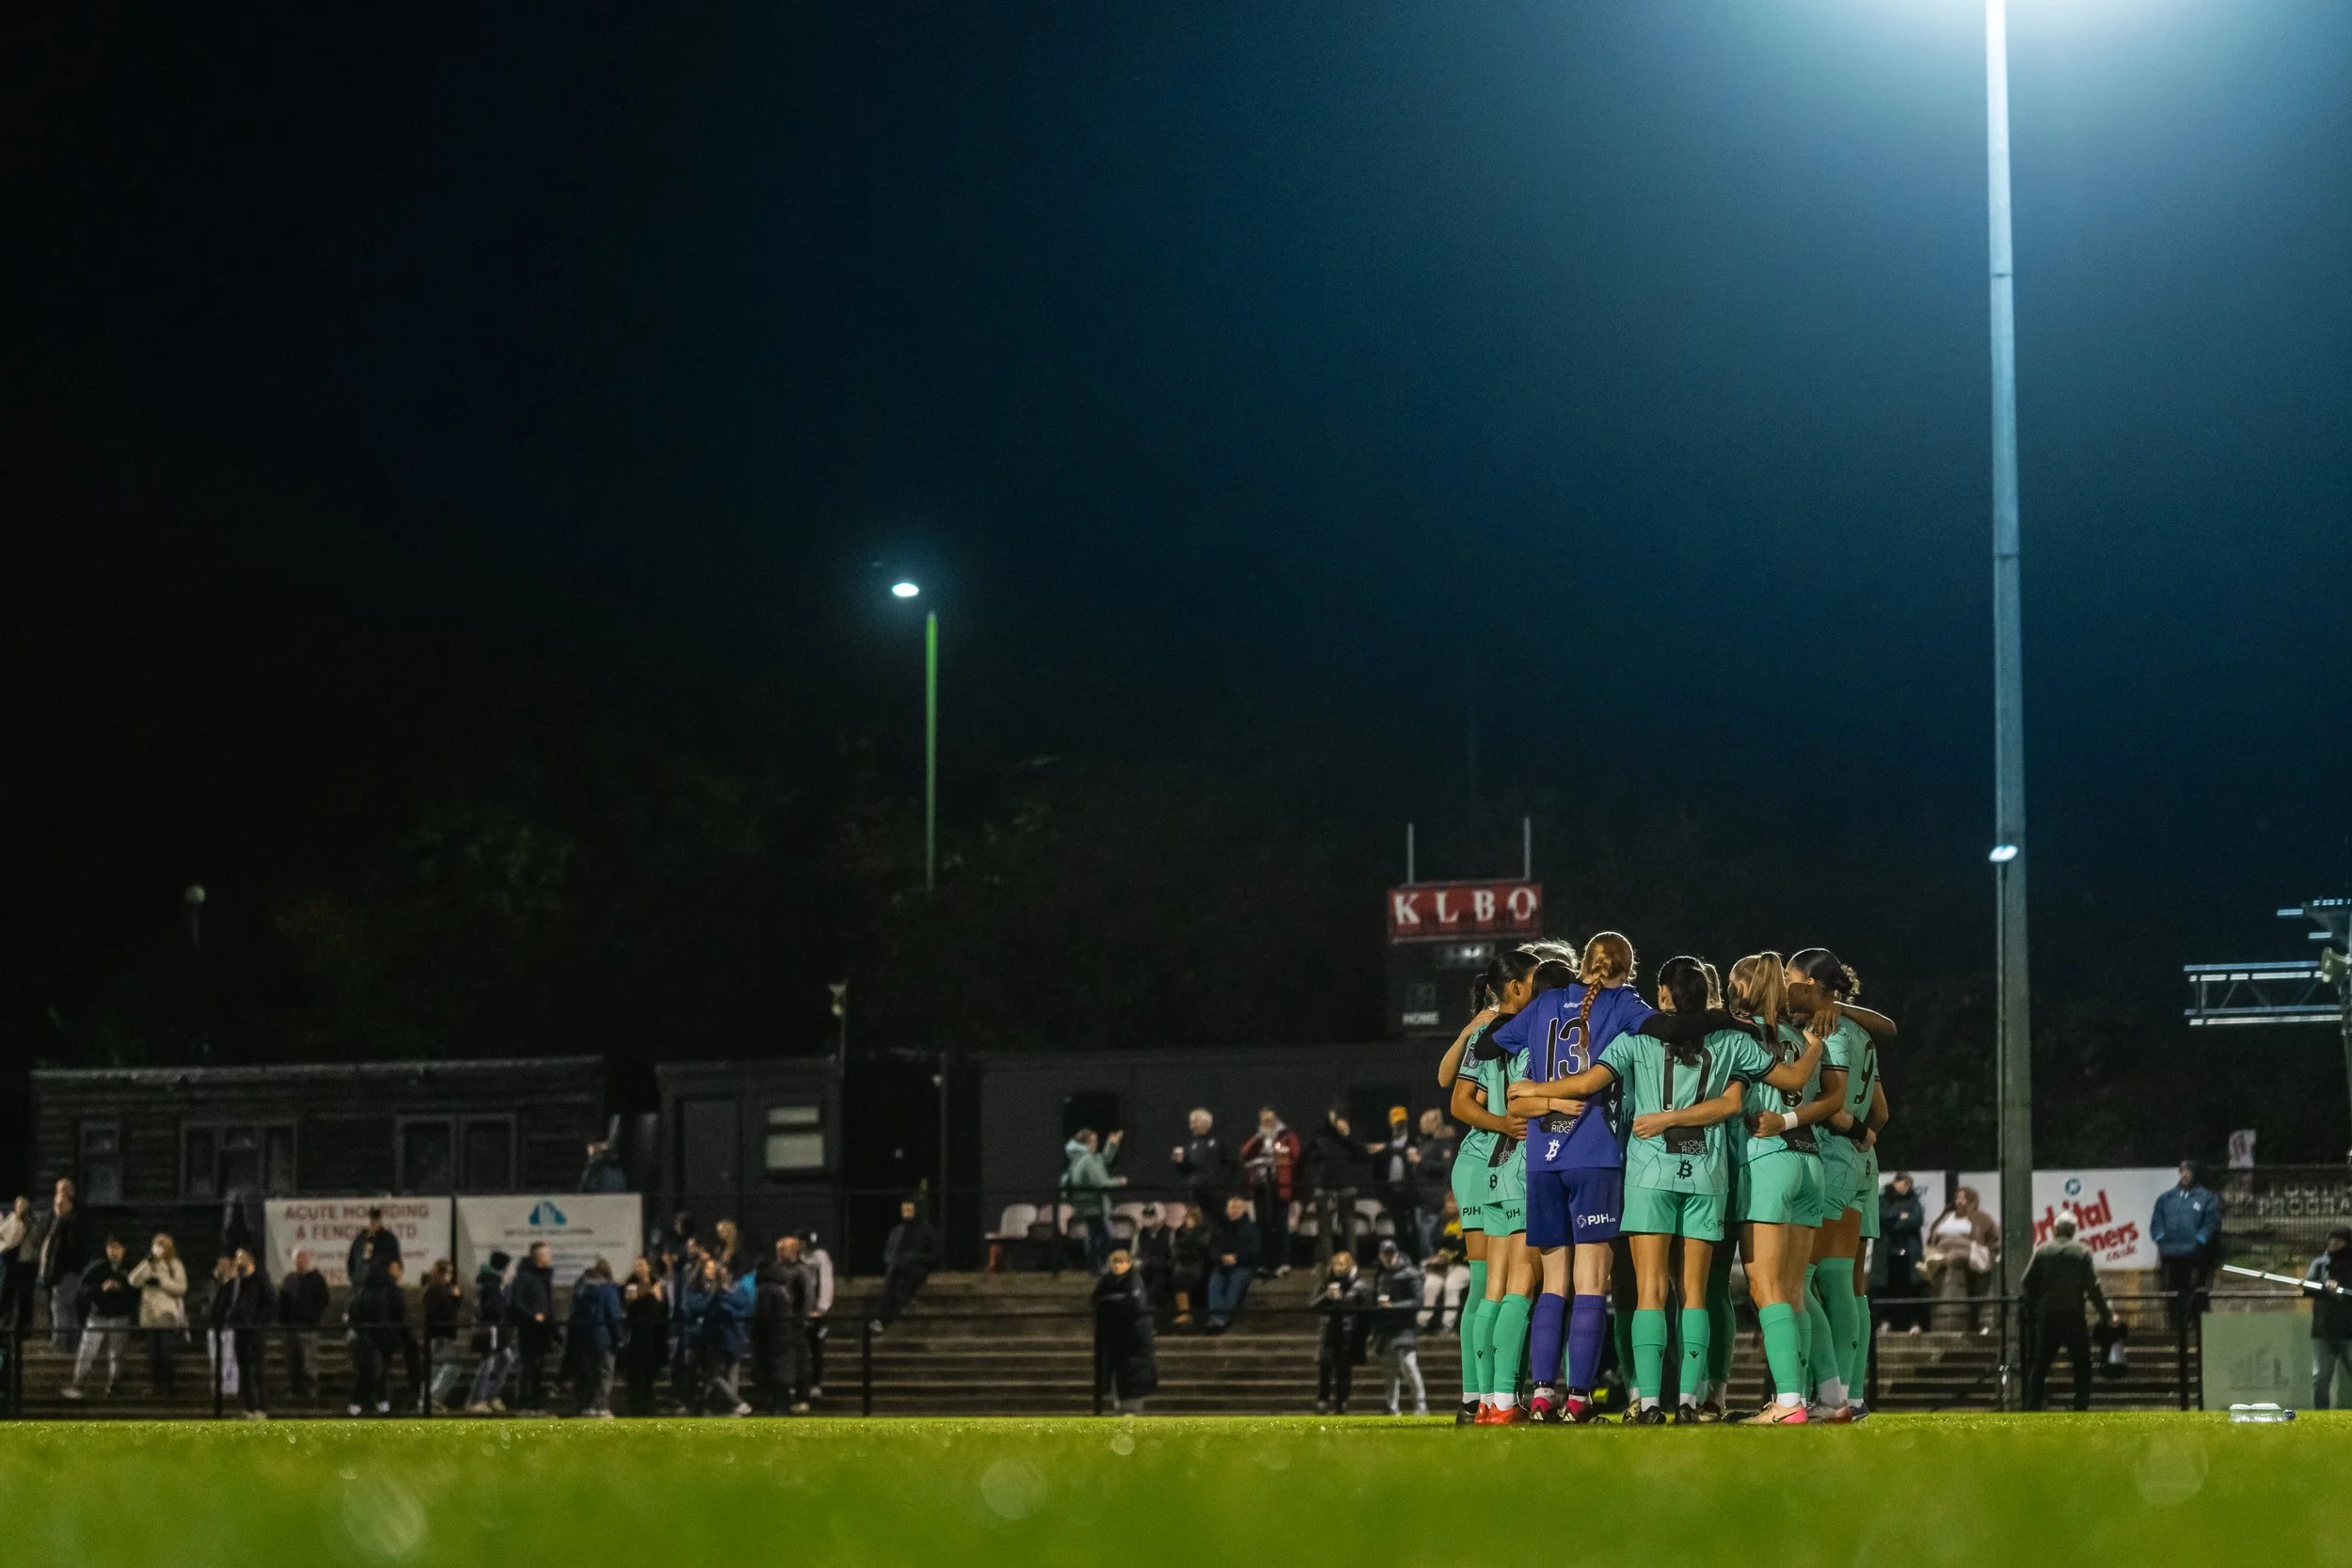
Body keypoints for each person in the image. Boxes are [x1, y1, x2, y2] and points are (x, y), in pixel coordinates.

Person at [1536, 955, 1817, 1423]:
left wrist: (1532, 1092)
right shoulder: (1732, 1040)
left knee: (1648, 1290)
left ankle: (1647, 1403)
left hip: (1649, 1172)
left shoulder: (1635, 1039)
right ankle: (1690, 1401)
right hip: (1707, 1173)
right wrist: (1813, 1045)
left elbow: (1587, 1083)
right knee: (1695, 1293)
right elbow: (1792, 1080)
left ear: (1663, 994)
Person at [1503, 937, 1652, 1423]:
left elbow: (1499, 1044)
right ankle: (1578, 1399)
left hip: (1543, 1158)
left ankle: (1542, 1394)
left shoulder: (1545, 1002)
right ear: (1626, 970)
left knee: (1553, 1285)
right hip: (1595, 1151)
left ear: (1583, 965)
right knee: (1592, 1284)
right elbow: (1667, 1027)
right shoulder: (1623, 1003)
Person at [1445, 949, 1539, 1424]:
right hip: (1494, 1160)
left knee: (1491, 1289)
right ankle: (1486, 1396)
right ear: (1517, 987)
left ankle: (1483, 1398)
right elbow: (1461, 1101)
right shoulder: (1529, 1030)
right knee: (1496, 1286)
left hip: (1491, 1161)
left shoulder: (1492, 1031)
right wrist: (1504, 1122)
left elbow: (1460, 1091)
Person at [2020, 1214, 2114, 1412]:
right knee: (2081, 1365)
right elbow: (2093, 1287)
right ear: (2073, 1230)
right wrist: (2106, 1314)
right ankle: (2080, 1408)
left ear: (2055, 1230)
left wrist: (2036, 1305)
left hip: (2048, 1317)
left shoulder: (2043, 1251)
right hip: (2073, 1316)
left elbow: (2027, 1282)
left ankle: (2031, 1408)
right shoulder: (2082, 1253)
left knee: (2041, 1365)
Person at [2151, 1161, 2222, 1331]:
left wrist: (2200, 1240)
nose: (2185, 1174)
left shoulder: (2206, 1197)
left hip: (2195, 1255)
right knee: (2173, 1292)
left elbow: (2211, 1222)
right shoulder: (2166, 1198)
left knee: (2197, 1291)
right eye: (2182, 1170)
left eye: (2189, 1171)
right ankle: (2176, 1327)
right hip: (2171, 1254)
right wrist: (2161, 1238)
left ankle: (2196, 1326)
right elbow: (2157, 1222)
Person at [64, 1234, 135, 1399]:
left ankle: (114, 1384)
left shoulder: (130, 1269)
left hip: (119, 1315)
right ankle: (79, 1382)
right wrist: (100, 1289)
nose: (113, 1251)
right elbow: (83, 1290)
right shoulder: (97, 1267)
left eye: (117, 1247)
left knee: (116, 1353)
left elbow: (135, 1292)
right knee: (87, 1350)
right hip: (99, 1315)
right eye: (110, 1247)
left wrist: (121, 1289)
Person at [1090, 1247, 1157, 1414]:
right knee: (1114, 1377)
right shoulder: (1106, 1281)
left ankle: (1131, 1411)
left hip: (1133, 1339)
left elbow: (1134, 1303)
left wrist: (1111, 1301)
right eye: (1115, 1262)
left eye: (1121, 1262)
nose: (1118, 1266)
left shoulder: (1135, 1279)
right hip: (1113, 1338)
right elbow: (1096, 1300)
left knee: (1132, 1382)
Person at [1924, 1187, 1999, 1333]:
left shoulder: (1982, 1218)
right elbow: (1933, 1237)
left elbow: (1993, 1241)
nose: (1959, 1201)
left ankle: (1955, 1318)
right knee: (1932, 1263)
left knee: (1954, 1259)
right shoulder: (1947, 1217)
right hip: (1942, 1248)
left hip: (1967, 1250)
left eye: (1963, 1198)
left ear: (1971, 1200)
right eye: (1958, 1198)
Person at [753, 1236, 813, 1416]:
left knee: (798, 1362)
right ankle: (784, 1398)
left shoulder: (801, 1271)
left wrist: (802, 1319)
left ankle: (802, 1397)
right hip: (780, 1325)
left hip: (793, 1324)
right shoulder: (776, 1270)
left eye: (783, 1249)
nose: (779, 1252)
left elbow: (806, 1298)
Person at [1240, 1108, 1302, 1277]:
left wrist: (1282, 1154)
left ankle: (1283, 1262)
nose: (1268, 1124)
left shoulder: (1287, 1135)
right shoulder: (1257, 1136)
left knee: (1281, 1225)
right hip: (1260, 1187)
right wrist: (1258, 1138)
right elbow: (1244, 1154)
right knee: (1262, 1226)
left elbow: (1296, 1155)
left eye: (1270, 1120)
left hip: (1280, 1186)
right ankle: (1264, 1263)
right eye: (1264, 1121)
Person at [1369, 1237, 1427, 1417]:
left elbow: (1418, 1301)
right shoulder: (1381, 1275)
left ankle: (1420, 1404)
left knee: (1409, 1365)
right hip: (1386, 1327)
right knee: (1390, 1370)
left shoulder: (1410, 1273)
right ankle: (1392, 1406)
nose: (1388, 1258)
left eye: (1390, 1254)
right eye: (1384, 1254)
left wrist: (1393, 1306)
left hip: (1404, 1326)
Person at [128, 1232, 189, 1397]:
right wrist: (146, 1264)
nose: (159, 1248)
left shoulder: (174, 1264)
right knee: (153, 1352)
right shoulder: (148, 1263)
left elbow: (181, 1288)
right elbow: (133, 1280)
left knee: (166, 1350)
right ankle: (155, 1385)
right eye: (156, 1245)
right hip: (149, 1314)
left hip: (166, 1311)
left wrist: (162, 1282)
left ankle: (169, 1384)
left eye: (162, 1245)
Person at [1312, 1250, 1372, 1413]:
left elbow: (1365, 1311)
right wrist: (1328, 1296)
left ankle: (1341, 1402)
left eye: (1341, 1264)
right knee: (1325, 1367)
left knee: (1343, 1370)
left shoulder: (1359, 1285)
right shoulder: (1327, 1282)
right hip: (1329, 1331)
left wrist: (1363, 1335)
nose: (1338, 1268)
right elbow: (1313, 1304)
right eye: (1335, 1264)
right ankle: (1323, 1399)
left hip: (1348, 1333)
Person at [1061, 1129, 1127, 1274]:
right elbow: (1099, 1182)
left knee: (1094, 1235)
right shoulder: (1086, 1160)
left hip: (1087, 1205)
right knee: (1105, 1235)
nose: (1096, 1144)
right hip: (1093, 1205)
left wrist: (1112, 1144)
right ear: (1087, 1143)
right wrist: (1119, 1181)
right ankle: (1098, 1266)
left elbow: (1103, 1160)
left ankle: (1095, 1266)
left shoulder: (1084, 1158)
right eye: (1094, 1141)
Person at [1300, 1108, 1362, 1262]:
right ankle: (1328, 1262)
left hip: (1346, 1186)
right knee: (1325, 1227)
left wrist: (1348, 1136)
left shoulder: (1350, 1136)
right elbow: (1305, 1156)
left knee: (1348, 1225)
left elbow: (1362, 1155)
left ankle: (1350, 1261)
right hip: (1324, 1186)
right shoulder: (1320, 1135)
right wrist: (1318, 1157)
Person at [38, 1179, 91, 1350]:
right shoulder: (53, 1215)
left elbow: (71, 1245)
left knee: (61, 1306)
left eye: (62, 1191)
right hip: (52, 1270)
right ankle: (73, 1343)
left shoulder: (75, 1216)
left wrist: (62, 1219)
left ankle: (61, 1343)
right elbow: (46, 1236)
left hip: (67, 1271)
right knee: (66, 1307)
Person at [220, 1246, 274, 1418]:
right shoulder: (236, 1281)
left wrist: (260, 1322)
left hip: (255, 1331)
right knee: (243, 1369)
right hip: (240, 1330)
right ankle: (247, 1406)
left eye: (242, 1257)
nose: (239, 1261)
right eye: (237, 1257)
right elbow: (226, 1302)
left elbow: (270, 1303)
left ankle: (261, 1407)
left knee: (257, 1369)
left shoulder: (260, 1280)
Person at [872, 1199, 941, 1330]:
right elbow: (888, 1250)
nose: (907, 1213)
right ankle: (881, 1318)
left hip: (917, 1266)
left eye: (910, 1210)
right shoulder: (897, 1230)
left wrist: (915, 1258)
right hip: (898, 1265)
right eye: (904, 1210)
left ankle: (885, 1318)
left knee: (902, 1288)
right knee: (890, 1285)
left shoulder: (926, 1230)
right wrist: (892, 1260)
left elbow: (935, 1256)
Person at [567, 1258, 623, 1418]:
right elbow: (614, 1316)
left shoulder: (583, 1292)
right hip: (604, 1339)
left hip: (585, 1339)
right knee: (605, 1373)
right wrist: (619, 1337)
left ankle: (588, 1406)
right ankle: (602, 1406)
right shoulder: (609, 1290)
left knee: (590, 1374)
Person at [508, 1241, 558, 1414]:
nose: (550, 1257)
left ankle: (536, 1403)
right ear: (539, 1258)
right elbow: (517, 1303)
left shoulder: (544, 1279)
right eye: (547, 1254)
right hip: (529, 1331)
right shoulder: (524, 1278)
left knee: (538, 1367)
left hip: (541, 1331)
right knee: (528, 1367)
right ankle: (524, 1403)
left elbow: (547, 1305)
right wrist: (533, 1316)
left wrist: (552, 1326)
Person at [1364, 1107, 1421, 1259]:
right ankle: (1401, 1258)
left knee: (1415, 1227)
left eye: (1402, 1123)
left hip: (1411, 1192)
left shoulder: (1415, 1139)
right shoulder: (1385, 1143)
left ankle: (1415, 1260)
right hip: (1391, 1192)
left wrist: (1386, 1148)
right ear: (1390, 1123)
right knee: (1398, 1228)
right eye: (1396, 1123)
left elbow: (1412, 1153)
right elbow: (1377, 1171)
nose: (1399, 1126)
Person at [1877, 1173, 1930, 1334]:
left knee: (1910, 1288)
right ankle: (1886, 1321)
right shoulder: (1883, 1199)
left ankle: (1913, 1323)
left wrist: (1896, 1223)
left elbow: (1917, 1219)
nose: (1907, 1187)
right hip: (1888, 1254)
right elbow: (1881, 1216)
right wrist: (1901, 1215)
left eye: (1909, 1184)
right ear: (1895, 1183)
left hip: (1909, 1254)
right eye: (1904, 1183)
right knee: (1887, 1289)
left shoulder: (1914, 1201)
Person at [2307, 1227, 2352, 1409]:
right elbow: (2307, 1287)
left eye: (2338, 1240)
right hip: (2323, 1330)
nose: (2333, 1244)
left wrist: (2341, 1290)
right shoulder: (2319, 1263)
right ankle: (2320, 1415)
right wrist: (2323, 1285)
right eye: (2331, 1240)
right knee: (2321, 1377)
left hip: (2349, 1331)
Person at [465, 1250, 515, 1414]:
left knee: (506, 1358)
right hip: (491, 1330)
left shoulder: (492, 1283)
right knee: (489, 1363)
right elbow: (493, 1309)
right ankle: (477, 1399)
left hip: (495, 1331)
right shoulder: (492, 1284)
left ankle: (491, 1395)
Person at [278, 1249, 330, 1401]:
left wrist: (315, 1318)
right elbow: (283, 1301)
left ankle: (310, 1391)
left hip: (308, 1327)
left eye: (302, 1258)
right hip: (290, 1328)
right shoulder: (289, 1279)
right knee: (292, 1361)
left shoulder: (316, 1279)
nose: (299, 1262)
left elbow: (323, 1300)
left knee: (308, 1362)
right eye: (297, 1259)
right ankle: (294, 1389)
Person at [621, 1257, 670, 1417]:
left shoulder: (658, 1284)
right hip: (636, 1334)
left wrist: (655, 1296)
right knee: (635, 1372)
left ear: (649, 1267)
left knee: (649, 1372)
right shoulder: (631, 1285)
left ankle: (649, 1404)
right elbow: (627, 1305)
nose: (638, 1268)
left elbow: (663, 1307)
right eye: (636, 1265)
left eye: (641, 1265)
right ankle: (635, 1405)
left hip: (653, 1335)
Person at [1205, 1195, 1260, 1333]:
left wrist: (1237, 1257)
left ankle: (1221, 1317)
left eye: (1236, 1207)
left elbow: (1254, 1250)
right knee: (1214, 1283)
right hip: (1222, 1265)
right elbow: (1213, 1248)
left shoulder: (1251, 1229)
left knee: (1236, 1281)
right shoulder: (1220, 1228)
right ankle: (1216, 1317)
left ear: (1243, 1209)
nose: (1233, 1210)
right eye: (1231, 1207)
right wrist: (1221, 1258)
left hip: (1243, 1265)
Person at [1411, 1109, 1457, 1260]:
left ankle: (1434, 1263)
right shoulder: (1426, 1142)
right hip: (1421, 1196)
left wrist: (1421, 1161)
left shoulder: (1442, 1144)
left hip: (1435, 1196)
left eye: (1423, 1122)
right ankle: (1426, 1265)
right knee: (1422, 1236)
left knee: (1430, 1234)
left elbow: (1445, 1167)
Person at [421, 1259, 465, 1412]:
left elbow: (453, 1308)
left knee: (434, 1368)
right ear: (442, 1273)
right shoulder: (436, 1289)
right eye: (449, 1272)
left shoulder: (441, 1289)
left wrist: (456, 1297)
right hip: (440, 1334)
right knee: (452, 1365)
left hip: (439, 1334)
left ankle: (425, 1400)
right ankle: (432, 1397)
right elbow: (436, 1312)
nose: (451, 1275)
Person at [1172, 1109, 1236, 1213]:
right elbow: (1188, 1170)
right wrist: (1180, 1162)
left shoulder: (1220, 1140)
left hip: (1216, 1195)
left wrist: (1221, 1183)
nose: (1191, 1126)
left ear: (1205, 1122)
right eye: (1191, 1122)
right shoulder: (1193, 1144)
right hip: (1196, 1193)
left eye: (1194, 1122)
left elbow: (1232, 1163)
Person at [800, 1230, 835, 1401]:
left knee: (817, 1348)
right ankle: (801, 1383)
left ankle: (816, 1383)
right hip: (802, 1312)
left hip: (818, 1314)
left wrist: (821, 1309)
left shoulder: (821, 1259)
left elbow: (826, 1284)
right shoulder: (799, 1260)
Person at [1168, 1204, 1213, 1328]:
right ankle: (1184, 1314)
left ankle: (1185, 1314)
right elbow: (1175, 1251)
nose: (1188, 1220)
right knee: (1175, 1279)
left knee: (1182, 1280)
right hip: (1180, 1267)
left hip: (1197, 1267)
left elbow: (1199, 1250)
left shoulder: (1204, 1232)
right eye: (1187, 1217)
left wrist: (1183, 1248)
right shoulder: (1179, 1232)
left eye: (1191, 1218)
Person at [1131, 1203, 1174, 1308]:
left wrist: (1163, 1263)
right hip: (1144, 1268)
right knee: (1136, 1279)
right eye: (1145, 1215)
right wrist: (1138, 1262)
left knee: (1157, 1282)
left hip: (1163, 1270)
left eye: (1151, 1215)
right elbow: (1134, 1254)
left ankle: (1148, 1309)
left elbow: (1173, 1256)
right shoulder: (1140, 1234)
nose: (1147, 1218)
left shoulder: (1170, 1233)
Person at [0, 1196, 30, 1333]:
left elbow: (12, 1240)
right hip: (5, 1257)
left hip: (11, 1259)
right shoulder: (12, 1218)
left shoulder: (23, 1223)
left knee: (8, 1293)